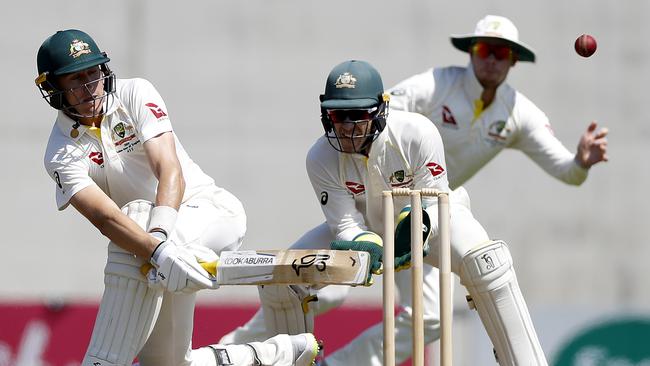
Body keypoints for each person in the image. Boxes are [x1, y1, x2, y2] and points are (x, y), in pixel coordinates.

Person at [221, 60, 549, 365]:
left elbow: (435, 201)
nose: (347, 128)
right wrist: (367, 244)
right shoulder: (319, 156)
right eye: (338, 116)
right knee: (284, 276)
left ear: (379, 111)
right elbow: (345, 224)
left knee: (485, 266)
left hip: (431, 219)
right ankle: (237, 353)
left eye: (357, 116)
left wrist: (417, 228)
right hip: (365, 225)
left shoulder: (417, 134)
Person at [36, 29, 319, 366]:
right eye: (75, 79)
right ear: (54, 89)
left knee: (138, 218)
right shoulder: (60, 151)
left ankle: (101, 361)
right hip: (151, 255)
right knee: (167, 363)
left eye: (92, 73)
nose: (89, 87)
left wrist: (160, 237)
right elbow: (104, 217)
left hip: (208, 212)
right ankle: (275, 354)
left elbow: (168, 169)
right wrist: (158, 251)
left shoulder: (134, 92)